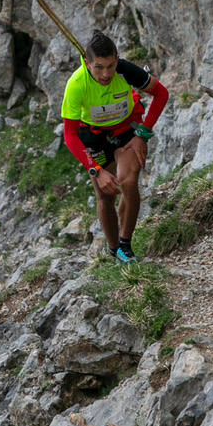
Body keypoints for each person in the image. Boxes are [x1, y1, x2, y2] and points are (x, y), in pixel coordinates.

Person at [61, 30, 169, 263]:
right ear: (88, 63)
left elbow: (161, 94)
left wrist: (142, 133)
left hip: (126, 130)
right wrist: (95, 171)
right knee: (105, 193)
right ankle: (113, 251)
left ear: (117, 59)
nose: (106, 73)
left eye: (110, 65)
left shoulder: (126, 70)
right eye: (98, 67)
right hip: (93, 136)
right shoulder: (76, 84)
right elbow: (69, 135)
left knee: (129, 182)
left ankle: (125, 246)